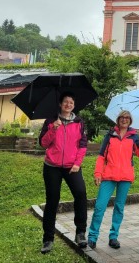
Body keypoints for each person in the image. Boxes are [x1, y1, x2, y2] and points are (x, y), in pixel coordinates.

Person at [87, 111, 139, 250]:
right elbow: (101, 156)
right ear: (118, 119)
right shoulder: (110, 135)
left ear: (130, 120)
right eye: (122, 117)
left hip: (125, 177)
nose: (124, 120)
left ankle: (113, 237)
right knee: (99, 207)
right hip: (108, 176)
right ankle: (92, 237)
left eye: (127, 118)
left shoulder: (133, 136)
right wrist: (98, 172)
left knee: (119, 208)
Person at [38, 91, 88, 254]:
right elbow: (43, 144)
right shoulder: (51, 121)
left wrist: (77, 164)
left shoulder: (79, 122)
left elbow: (82, 145)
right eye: (65, 102)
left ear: (74, 105)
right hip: (52, 166)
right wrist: (53, 128)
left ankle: (80, 233)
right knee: (52, 200)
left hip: (71, 166)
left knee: (80, 194)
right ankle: (48, 239)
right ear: (60, 104)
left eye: (71, 102)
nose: (68, 104)